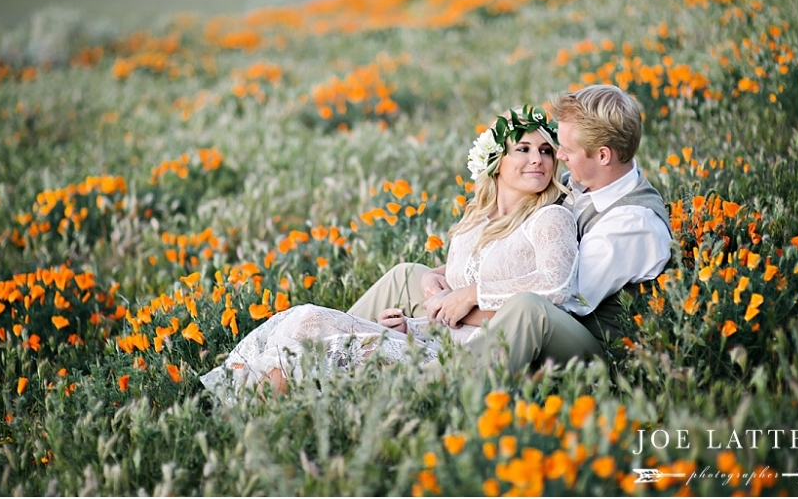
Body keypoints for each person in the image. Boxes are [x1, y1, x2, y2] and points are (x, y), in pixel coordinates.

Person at [201, 106, 579, 402]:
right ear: (495, 163)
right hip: (436, 335)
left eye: (546, 151)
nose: (538, 159)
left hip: (472, 354)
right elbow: (479, 272)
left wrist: (468, 295)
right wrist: (417, 310)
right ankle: (244, 407)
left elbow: (554, 285)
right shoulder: (477, 220)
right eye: (523, 149)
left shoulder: (550, 217)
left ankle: (257, 416)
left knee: (315, 331)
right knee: (306, 320)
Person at [348, 85, 671, 376]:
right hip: (531, 314)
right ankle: (329, 349)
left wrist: (463, 299)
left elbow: (562, 297)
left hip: (593, 349)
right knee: (407, 276)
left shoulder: (631, 224)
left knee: (528, 310)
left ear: (603, 155)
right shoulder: (581, 182)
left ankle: (428, 385)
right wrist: (440, 276)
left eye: (566, 150)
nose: (557, 156)